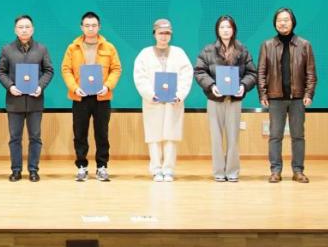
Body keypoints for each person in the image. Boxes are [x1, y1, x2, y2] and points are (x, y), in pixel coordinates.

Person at [194, 15, 258, 182]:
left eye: (228, 27)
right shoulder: (208, 50)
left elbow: (252, 73)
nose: (225, 30)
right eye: (222, 27)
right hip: (214, 99)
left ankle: (232, 171)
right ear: (217, 30)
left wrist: (243, 86)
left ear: (233, 29)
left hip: (234, 100)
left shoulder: (242, 50)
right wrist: (211, 85)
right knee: (216, 137)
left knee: (233, 137)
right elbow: (199, 72)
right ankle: (218, 172)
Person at [61, 11, 122, 182]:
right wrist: (74, 88)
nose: (90, 28)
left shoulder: (109, 47)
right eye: (87, 25)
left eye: (94, 25)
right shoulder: (72, 47)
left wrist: (107, 86)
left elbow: (116, 69)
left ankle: (102, 167)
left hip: (102, 97)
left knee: (102, 133)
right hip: (80, 97)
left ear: (99, 27)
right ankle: (82, 166)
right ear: (81, 27)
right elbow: (66, 69)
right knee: (80, 133)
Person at [258, 7, 317, 183]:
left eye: (286, 20)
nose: (282, 23)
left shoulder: (304, 45)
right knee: (275, 136)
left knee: (298, 136)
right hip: (275, 98)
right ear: (275, 23)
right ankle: (275, 171)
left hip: (298, 98)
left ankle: (298, 171)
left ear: (293, 22)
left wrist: (309, 93)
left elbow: (311, 73)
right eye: (279, 20)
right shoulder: (267, 45)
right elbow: (261, 72)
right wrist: (263, 94)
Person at [132, 18, 193, 182]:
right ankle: (156, 169)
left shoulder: (179, 53)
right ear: (154, 34)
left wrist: (179, 94)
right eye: (161, 33)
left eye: (167, 33)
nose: (164, 36)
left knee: (171, 136)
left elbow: (187, 75)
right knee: (154, 136)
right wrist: (150, 94)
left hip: (173, 102)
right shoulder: (145, 54)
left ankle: (168, 169)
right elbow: (140, 77)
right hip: (153, 102)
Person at [0, 15, 53, 182]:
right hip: (14, 101)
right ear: (15, 30)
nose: (24, 30)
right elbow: (0, 72)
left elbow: (49, 70)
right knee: (15, 138)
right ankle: (16, 170)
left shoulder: (41, 49)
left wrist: (40, 86)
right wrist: (10, 86)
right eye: (20, 27)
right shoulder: (7, 49)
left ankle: (33, 170)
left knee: (35, 137)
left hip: (35, 100)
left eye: (27, 27)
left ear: (32, 29)